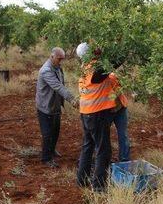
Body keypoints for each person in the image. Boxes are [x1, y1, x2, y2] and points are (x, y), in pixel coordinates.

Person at [76, 42, 119, 192]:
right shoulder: (94, 68)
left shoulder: (84, 68)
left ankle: (82, 179)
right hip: (97, 114)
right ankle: (99, 186)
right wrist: (122, 53)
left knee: (88, 146)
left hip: (86, 113)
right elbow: (107, 68)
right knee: (103, 150)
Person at [36, 47, 78, 168]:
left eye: (62, 59)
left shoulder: (57, 67)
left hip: (54, 105)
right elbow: (58, 87)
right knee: (47, 134)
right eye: (59, 59)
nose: (60, 62)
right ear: (52, 56)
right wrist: (72, 100)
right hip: (45, 106)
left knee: (55, 131)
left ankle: (52, 150)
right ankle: (46, 158)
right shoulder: (46, 70)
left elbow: (61, 85)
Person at [108, 72, 131, 162]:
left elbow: (118, 92)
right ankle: (105, 159)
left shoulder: (113, 77)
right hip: (107, 111)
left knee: (123, 134)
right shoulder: (97, 79)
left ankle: (124, 160)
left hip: (120, 108)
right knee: (104, 136)